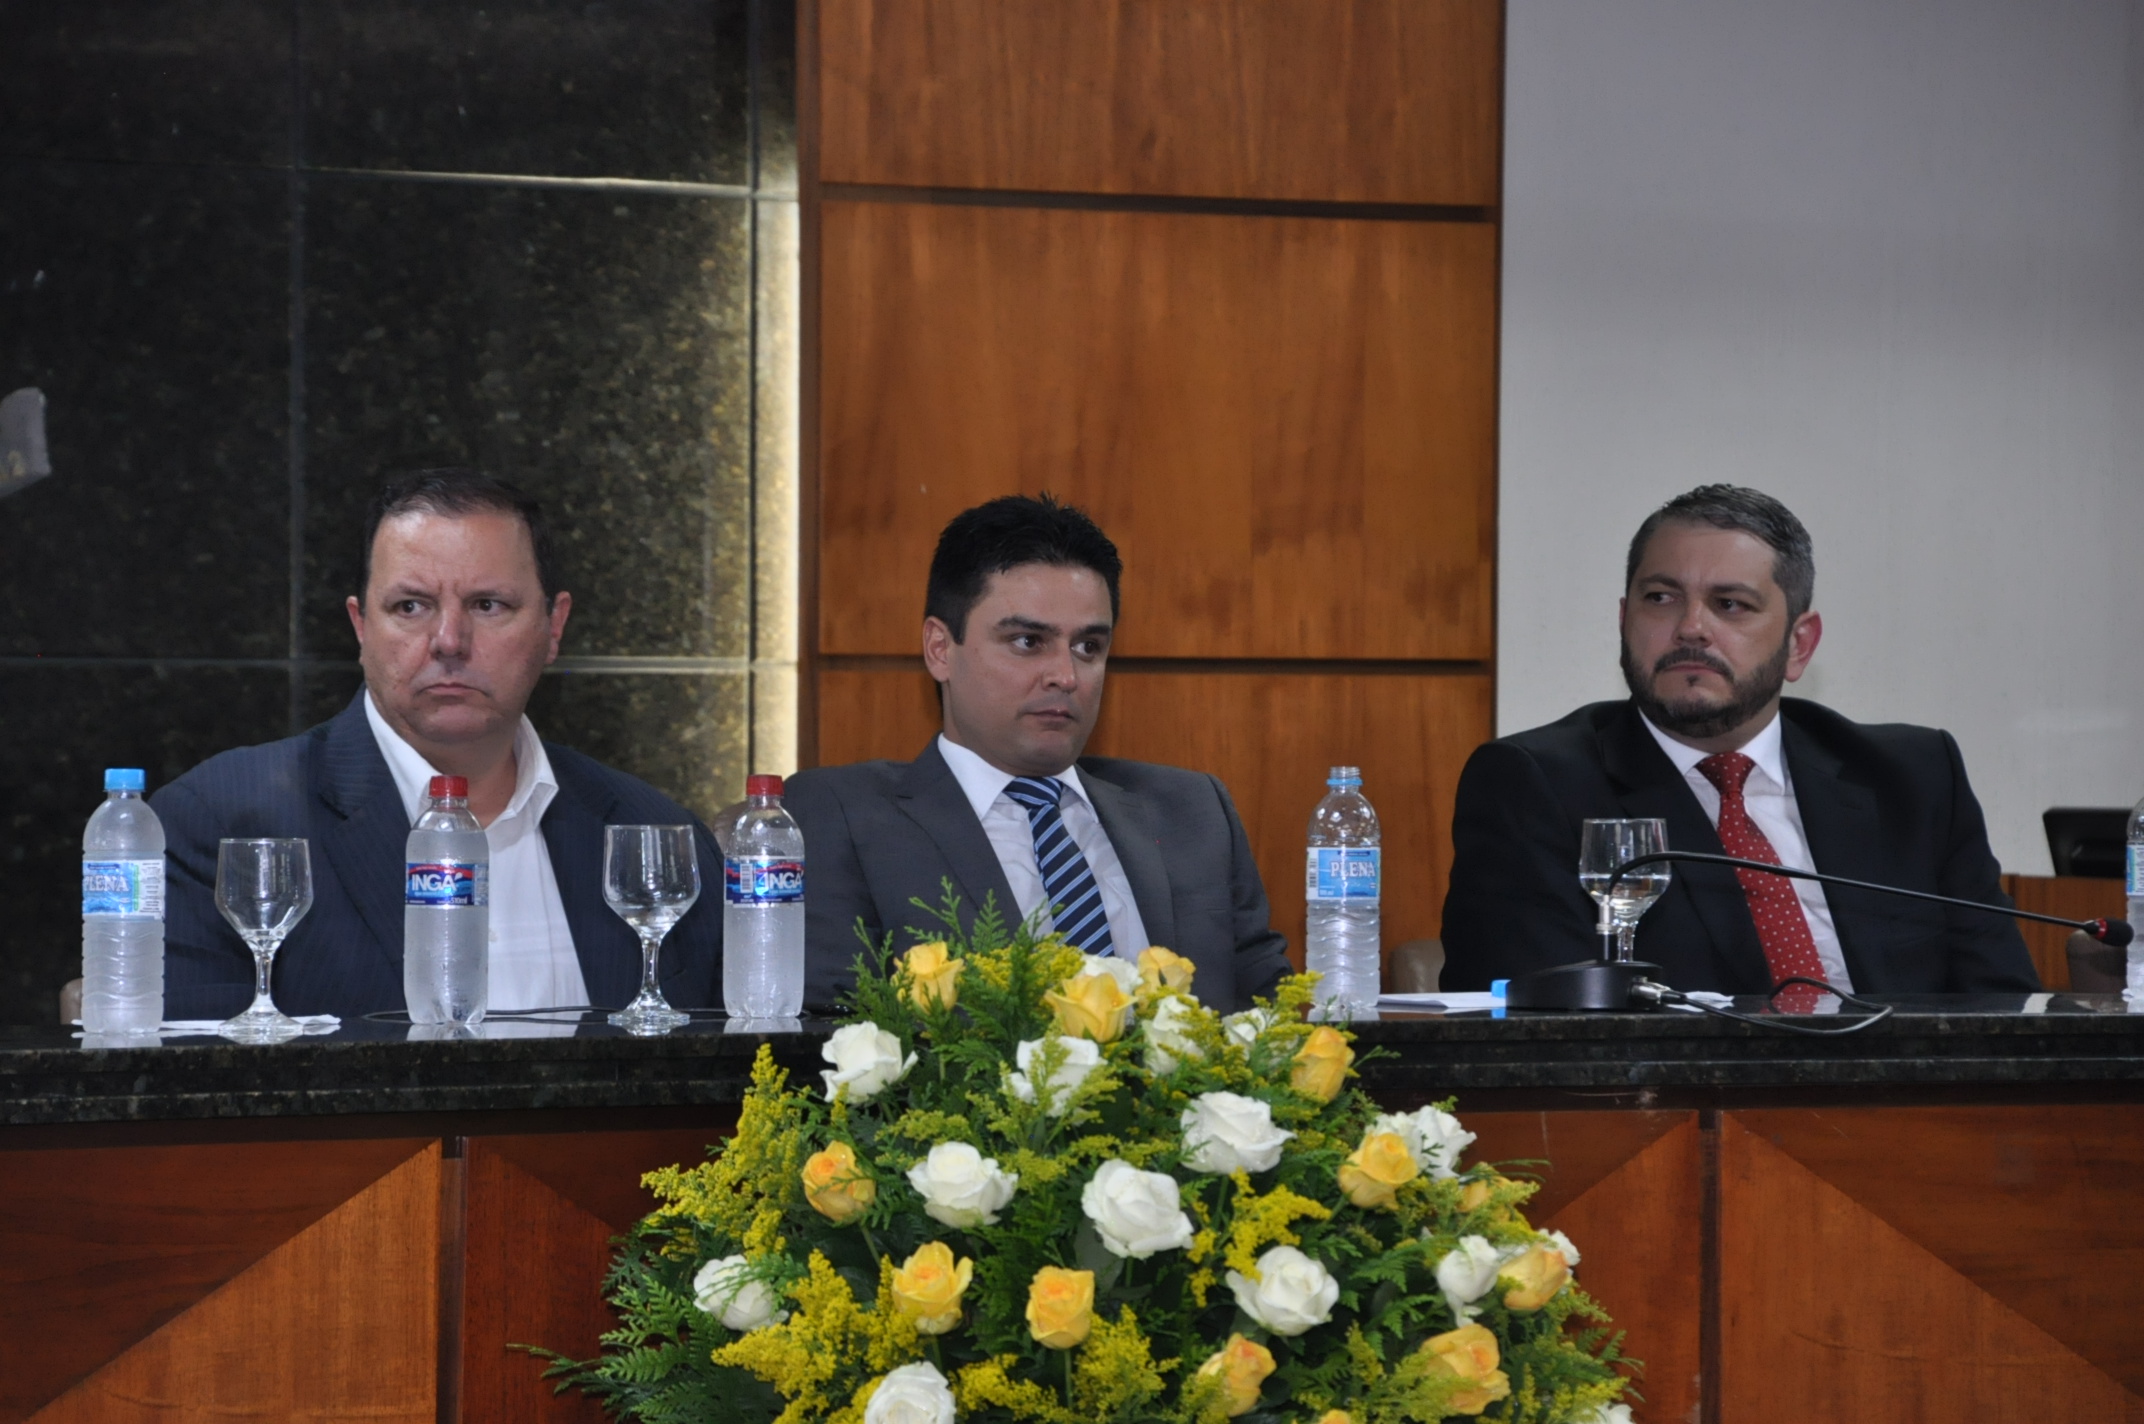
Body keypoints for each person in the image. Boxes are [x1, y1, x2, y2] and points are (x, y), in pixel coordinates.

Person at [156, 469, 722, 1019]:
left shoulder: (658, 834)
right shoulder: (219, 823)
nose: (449, 641)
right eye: (411, 606)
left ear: (554, 627)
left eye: (488, 605)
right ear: (360, 627)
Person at [1441, 484, 2037, 997]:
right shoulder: (1536, 784)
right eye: (1661, 598)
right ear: (1624, 621)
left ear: (1799, 645)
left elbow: (2003, 1005)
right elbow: (1532, 1020)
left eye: (1730, 604)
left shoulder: (1913, 779)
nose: (1691, 627)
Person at [786, 493, 1292, 1012]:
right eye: (1028, 641)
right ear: (940, 649)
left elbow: (1273, 1017)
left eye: (1088, 647)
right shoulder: (840, 817)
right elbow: (826, 1029)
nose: (1066, 676)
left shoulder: (1193, 811)